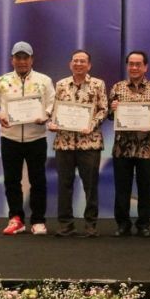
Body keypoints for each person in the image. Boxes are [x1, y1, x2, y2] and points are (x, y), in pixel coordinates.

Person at [0, 41, 54, 235]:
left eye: (26, 58)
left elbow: (52, 104)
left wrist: (45, 116)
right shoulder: (1, 81)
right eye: (18, 58)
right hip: (10, 137)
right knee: (11, 180)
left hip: (36, 138)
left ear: (32, 59)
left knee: (38, 180)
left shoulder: (44, 81)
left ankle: (38, 220)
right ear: (12, 60)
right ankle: (16, 218)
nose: (22, 61)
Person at [48, 50, 107, 238]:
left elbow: (103, 110)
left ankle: (91, 225)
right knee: (64, 185)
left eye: (83, 61)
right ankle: (66, 224)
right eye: (75, 61)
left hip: (89, 142)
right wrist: (52, 122)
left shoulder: (98, 85)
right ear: (70, 64)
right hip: (64, 143)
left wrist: (92, 124)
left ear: (89, 65)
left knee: (90, 186)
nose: (79, 64)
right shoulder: (61, 85)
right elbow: (54, 109)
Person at [108, 50, 150, 237]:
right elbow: (109, 116)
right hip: (122, 148)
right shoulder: (117, 88)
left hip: (146, 149)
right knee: (122, 189)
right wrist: (113, 109)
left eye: (138, 64)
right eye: (131, 64)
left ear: (145, 67)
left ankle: (143, 224)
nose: (134, 67)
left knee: (145, 189)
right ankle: (123, 224)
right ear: (127, 66)